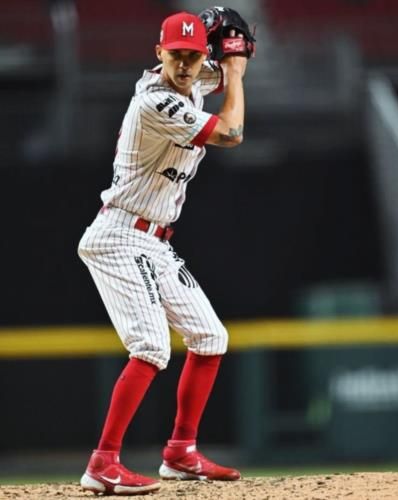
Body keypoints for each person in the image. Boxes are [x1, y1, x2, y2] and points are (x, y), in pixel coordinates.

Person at [78, 9, 248, 496]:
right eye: (177, 55)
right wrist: (234, 68)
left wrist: (233, 51)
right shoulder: (155, 101)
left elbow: (228, 65)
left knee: (210, 338)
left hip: (154, 239)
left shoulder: (193, 79)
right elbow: (231, 133)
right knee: (152, 347)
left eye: (194, 56)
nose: (187, 65)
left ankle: (181, 452)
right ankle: (103, 462)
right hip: (119, 235)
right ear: (159, 54)